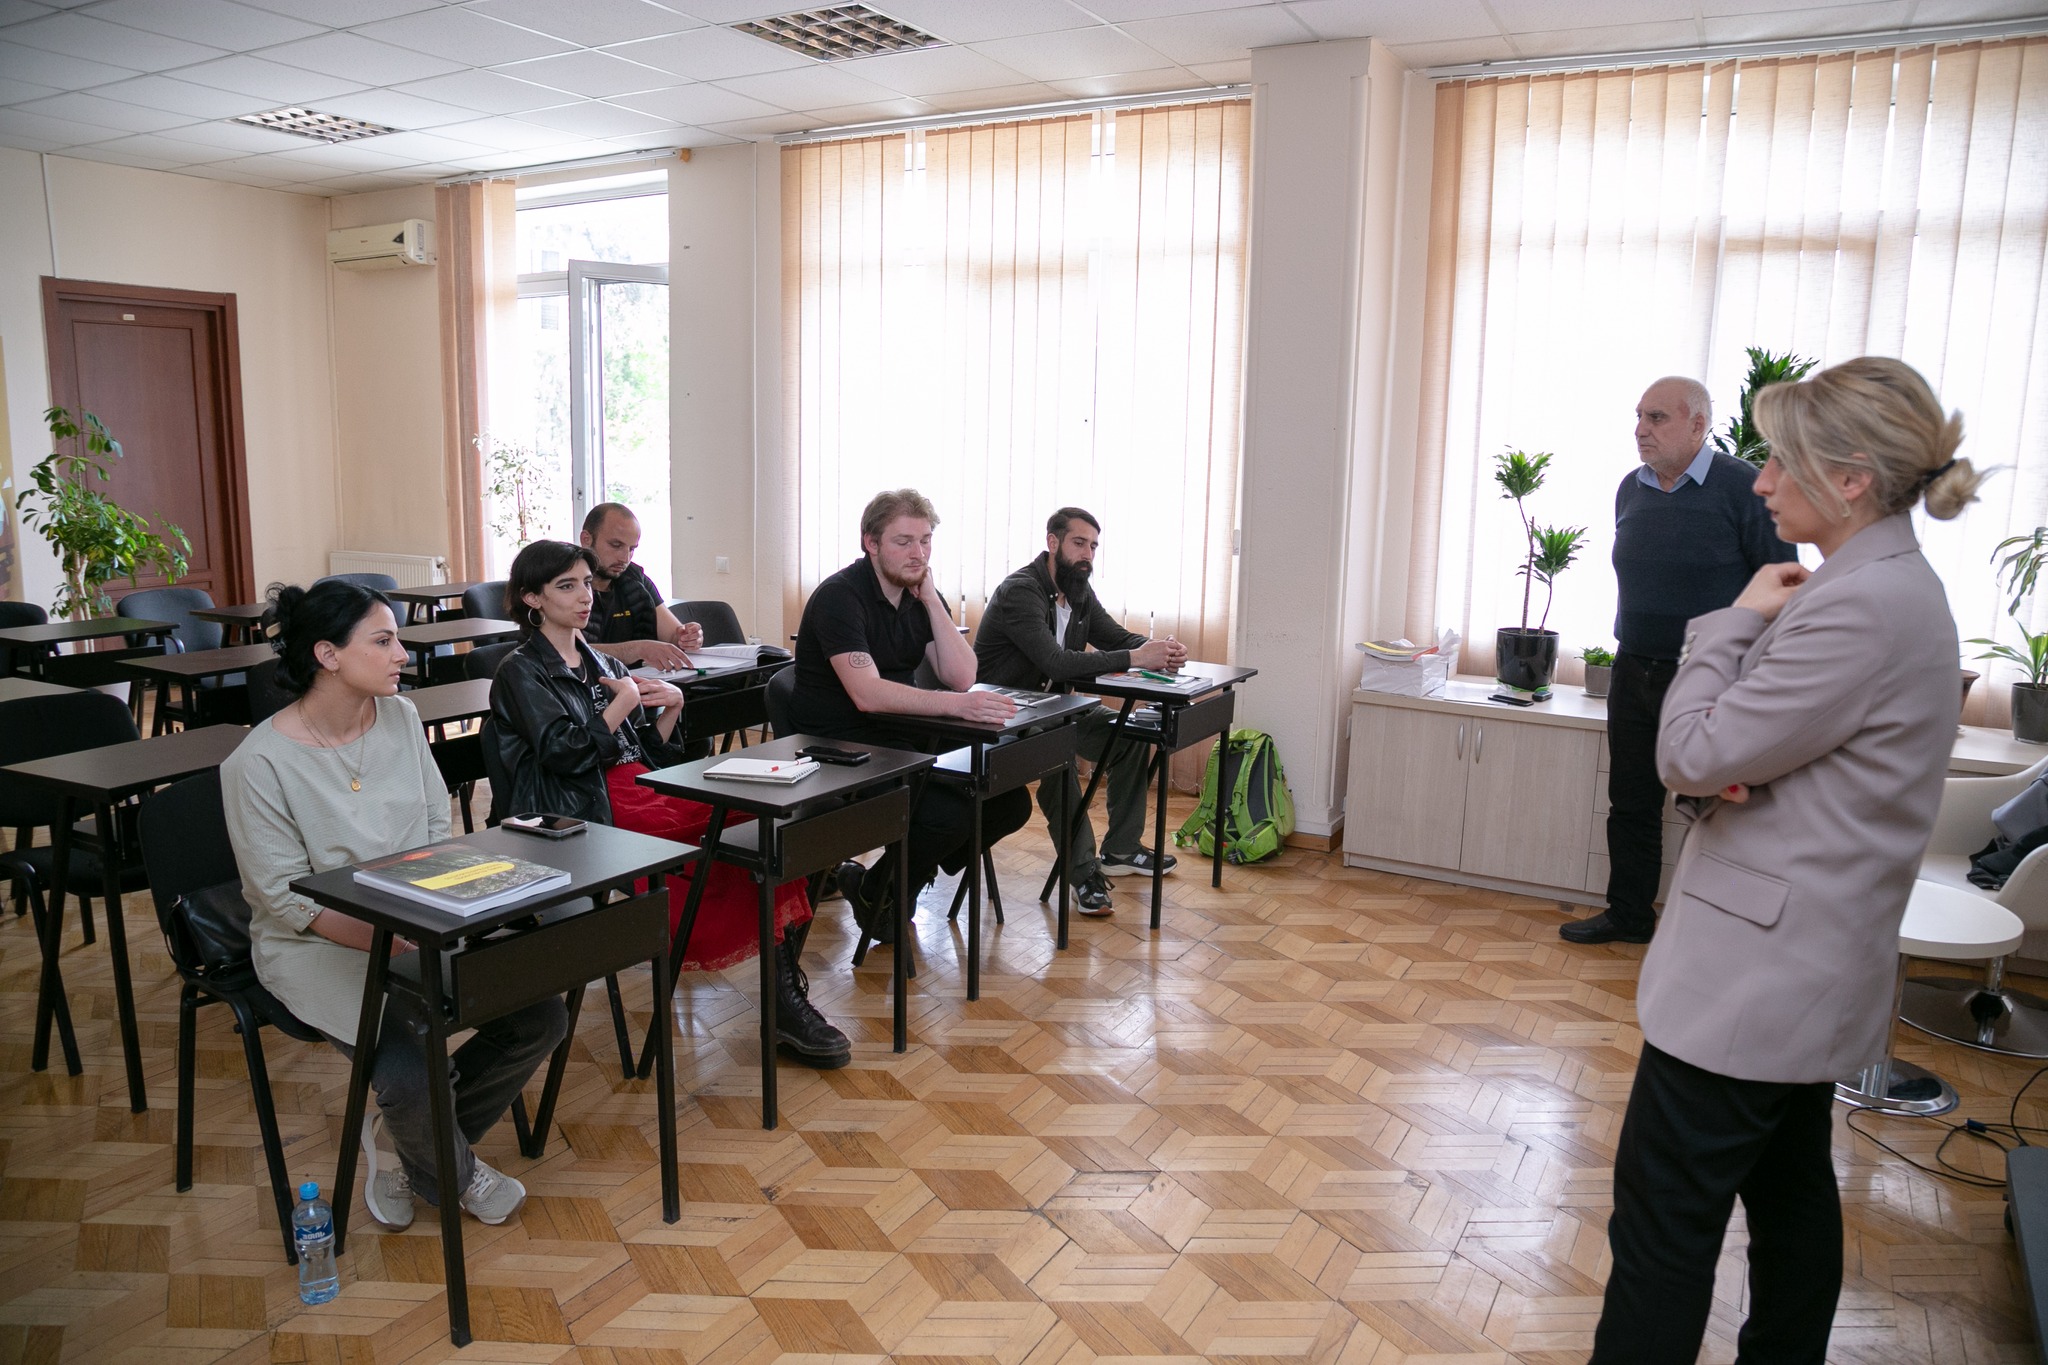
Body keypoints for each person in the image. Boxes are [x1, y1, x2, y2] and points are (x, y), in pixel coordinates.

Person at [1590, 357, 1981, 1362]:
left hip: (1752, 981)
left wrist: (1727, 623)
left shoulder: (1857, 604)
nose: (1759, 482)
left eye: (1780, 462)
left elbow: (1690, 751)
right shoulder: (1879, 587)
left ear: (1849, 479)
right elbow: (1748, 754)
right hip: (1805, 965)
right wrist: (1731, 755)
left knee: (1662, 1228)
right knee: (1790, 1196)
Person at [222, 579, 560, 1232]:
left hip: (419, 919)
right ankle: (451, 1172)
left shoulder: (400, 717)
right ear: (327, 655)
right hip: (315, 942)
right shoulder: (257, 763)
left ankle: (413, 1146)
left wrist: (435, 917)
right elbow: (286, 899)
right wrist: (399, 939)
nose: (402, 654)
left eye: (397, 639)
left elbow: (435, 826)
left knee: (539, 1015)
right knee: (409, 1070)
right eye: (382, 641)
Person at [487, 539, 851, 1069]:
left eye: (586, 583)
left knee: (764, 825)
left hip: (637, 787)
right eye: (566, 586)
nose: (584, 596)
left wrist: (672, 707)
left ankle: (783, 998)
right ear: (532, 598)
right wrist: (624, 701)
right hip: (583, 809)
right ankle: (784, 1002)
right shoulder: (521, 670)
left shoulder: (598, 659)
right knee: (726, 839)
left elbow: (648, 752)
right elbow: (566, 755)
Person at [1562, 375, 1796, 945]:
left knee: (1715, 813)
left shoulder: (1743, 487)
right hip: (1633, 668)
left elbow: (1783, 587)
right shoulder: (1631, 489)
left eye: (1657, 418)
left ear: (1698, 425)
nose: (1641, 429)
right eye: (1639, 416)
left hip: (1713, 679)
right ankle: (1629, 916)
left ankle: (1710, 933)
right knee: (1631, 802)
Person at [788, 488, 1032, 943]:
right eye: (903, 542)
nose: (918, 553)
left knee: (1010, 802)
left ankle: (884, 886)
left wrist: (932, 601)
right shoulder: (840, 597)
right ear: (871, 543)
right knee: (947, 814)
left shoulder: (916, 595)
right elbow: (867, 694)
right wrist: (957, 706)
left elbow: (961, 675)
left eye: (925, 541)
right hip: (841, 743)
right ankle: (892, 888)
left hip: (901, 733)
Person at [974, 507, 1186, 916]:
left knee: (1129, 735)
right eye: (1079, 543)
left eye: (1093, 546)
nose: (1087, 554)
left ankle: (1121, 849)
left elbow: (1114, 637)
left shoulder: (1079, 591)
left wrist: (1160, 650)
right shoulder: (1021, 591)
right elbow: (1056, 663)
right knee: (1058, 757)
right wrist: (1137, 657)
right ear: (1052, 542)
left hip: (1056, 710)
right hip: (1005, 716)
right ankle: (1084, 873)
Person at [580, 502, 705, 671]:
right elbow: (570, 652)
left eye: (632, 549)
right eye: (616, 545)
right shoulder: (563, 585)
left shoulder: (635, 580)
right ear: (586, 540)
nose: (625, 558)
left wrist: (688, 637)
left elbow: (673, 635)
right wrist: (638, 649)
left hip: (641, 681)